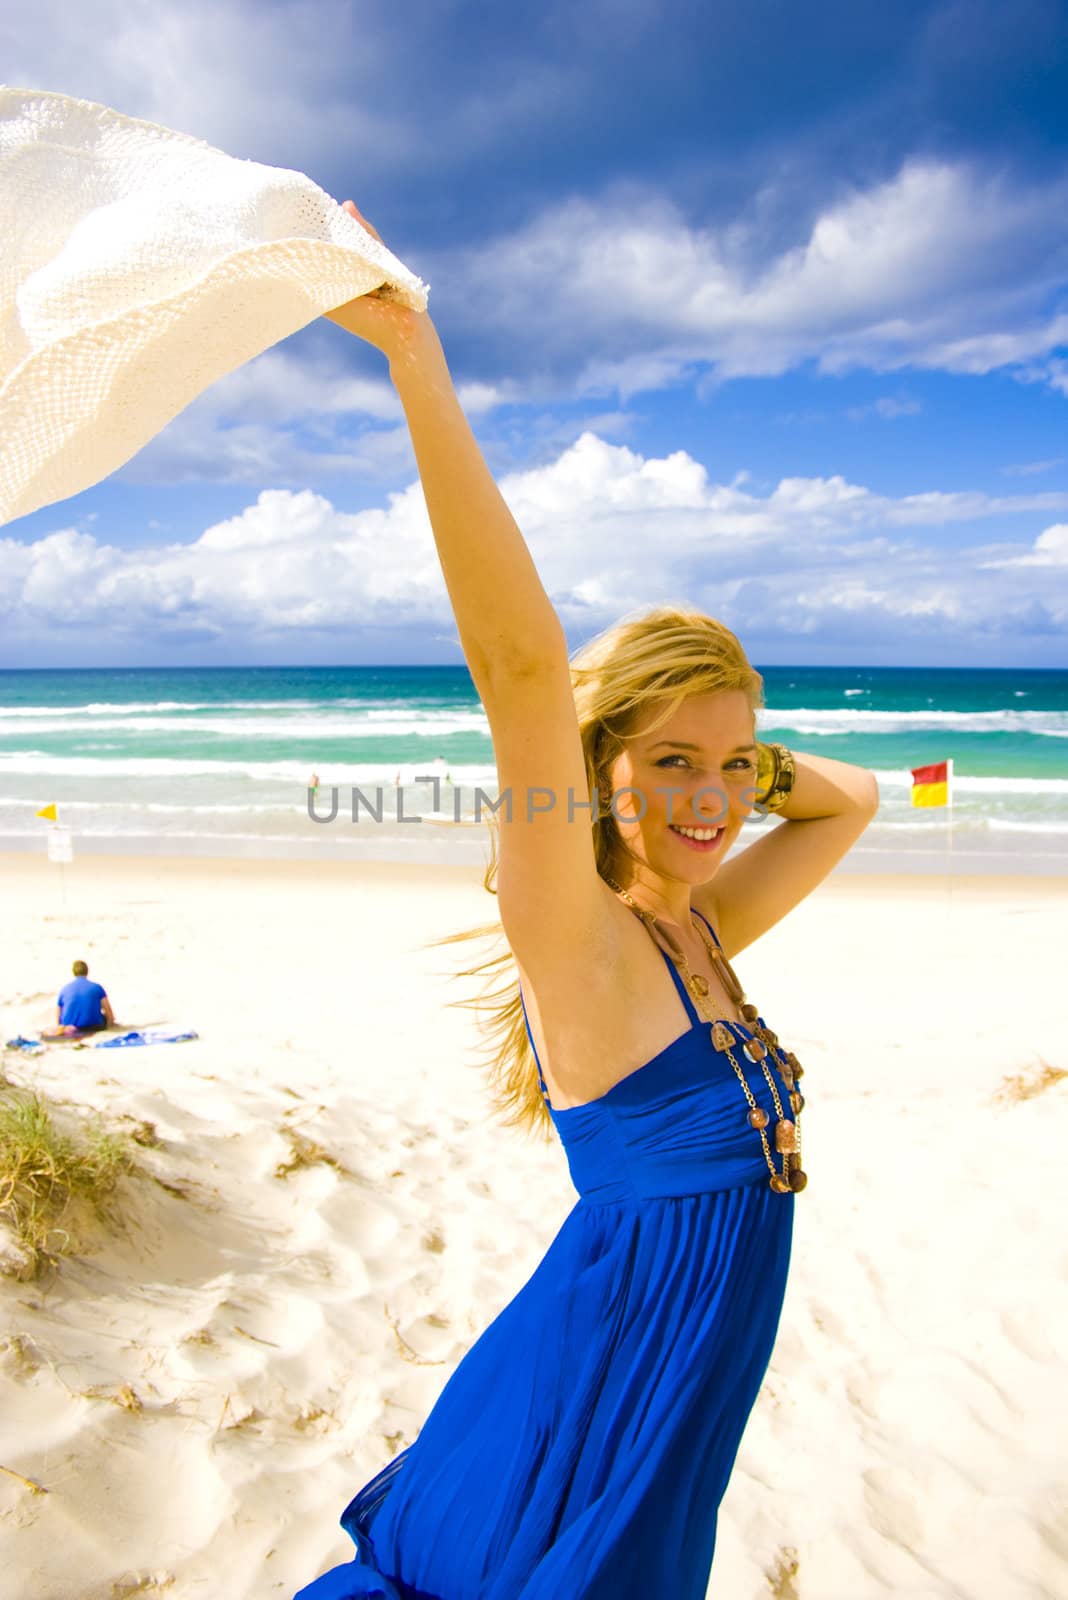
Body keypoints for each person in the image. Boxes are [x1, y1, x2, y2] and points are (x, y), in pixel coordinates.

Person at [294, 202, 879, 1600]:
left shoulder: (700, 926)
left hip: (690, 1371)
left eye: (735, 770)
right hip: (618, 1350)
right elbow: (515, 665)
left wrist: (716, 767)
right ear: (596, 766)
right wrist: (415, 363)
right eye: (672, 765)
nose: (714, 802)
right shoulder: (584, 939)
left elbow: (850, 798)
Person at [42, 959, 115, 1038]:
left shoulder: (65, 989)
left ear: (73, 972)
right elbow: (109, 1012)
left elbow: (58, 1016)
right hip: (92, 1026)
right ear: (87, 971)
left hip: (69, 1027)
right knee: (103, 1016)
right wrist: (109, 1026)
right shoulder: (97, 987)